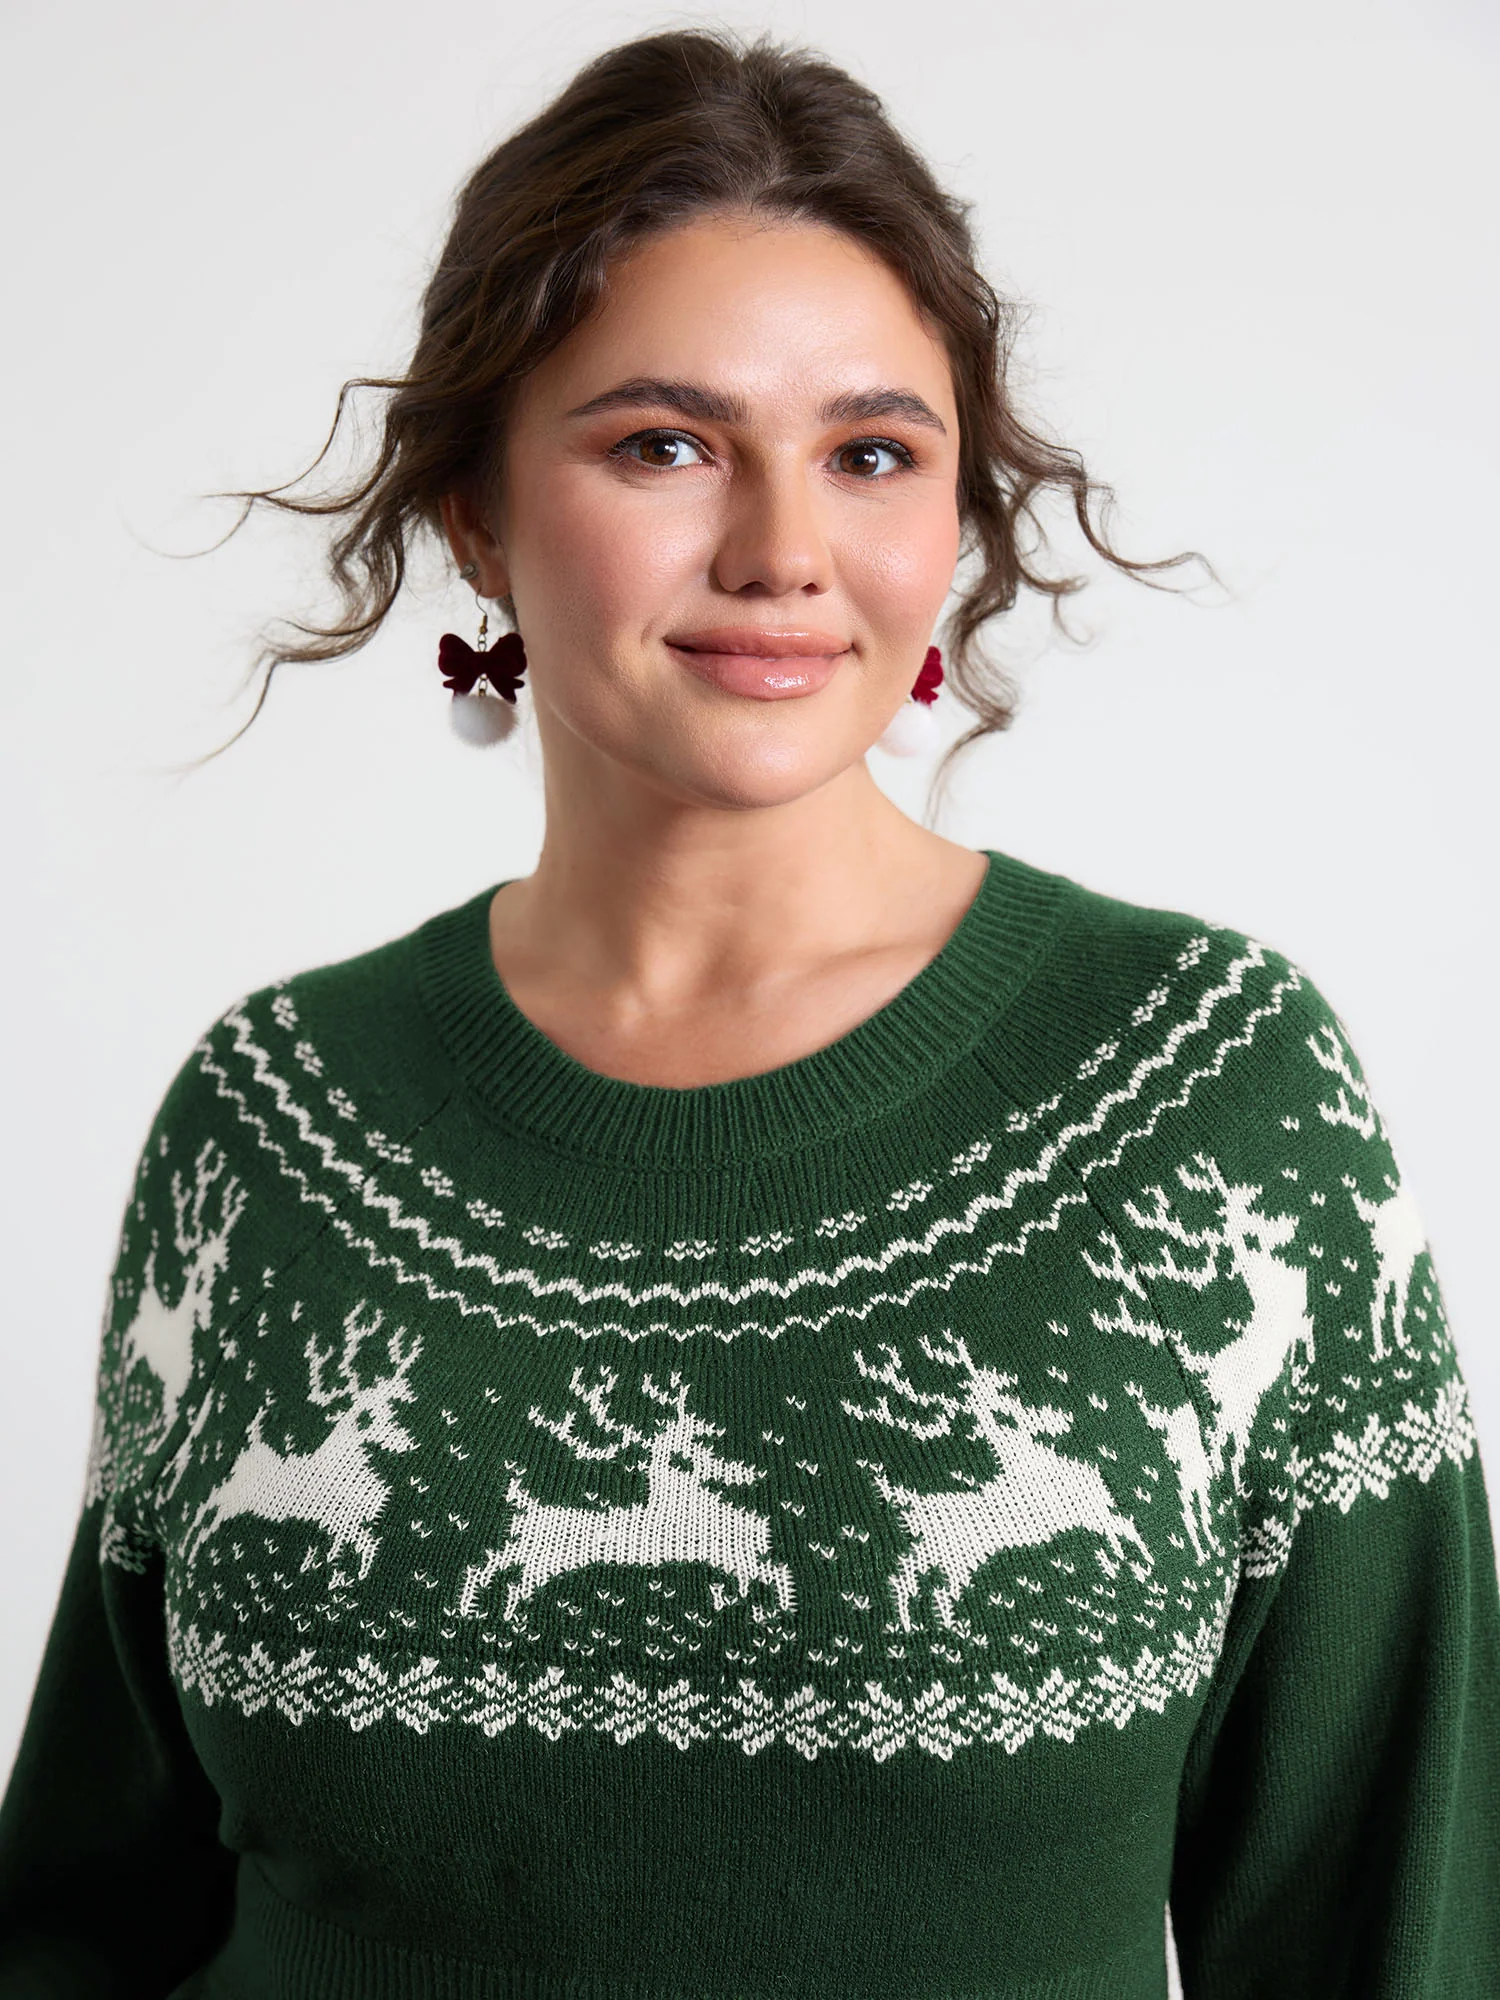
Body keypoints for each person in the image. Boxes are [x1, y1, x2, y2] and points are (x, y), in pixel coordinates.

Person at [2, 25, 1496, 1998]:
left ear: (954, 515)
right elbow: (83, 1924)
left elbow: (1396, 1931)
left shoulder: (1211, 1096)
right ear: (474, 509)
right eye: (665, 444)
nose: (785, 553)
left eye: (872, 455)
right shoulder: (272, 1120)